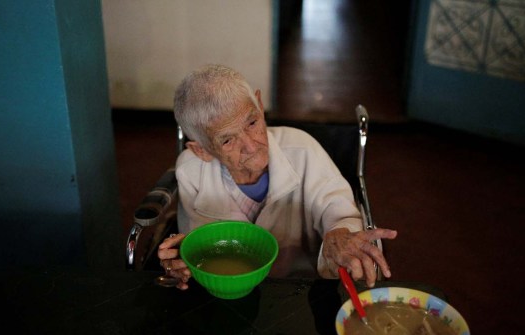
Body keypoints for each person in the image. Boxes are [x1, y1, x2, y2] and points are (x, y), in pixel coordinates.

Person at [158, 64, 397, 290]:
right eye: (228, 140)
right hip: (231, 290)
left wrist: (340, 233)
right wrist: (185, 264)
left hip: (302, 288)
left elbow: (337, 210)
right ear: (202, 150)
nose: (251, 146)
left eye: (252, 122)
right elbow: (201, 250)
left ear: (260, 105)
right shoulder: (191, 172)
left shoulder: (302, 149)